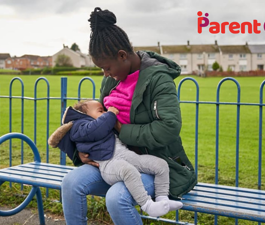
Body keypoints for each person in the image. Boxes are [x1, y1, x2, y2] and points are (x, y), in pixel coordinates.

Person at [56, 7, 197, 225]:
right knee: (70, 183)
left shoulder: (158, 79)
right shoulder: (112, 80)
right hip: (111, 160)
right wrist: (82, 151)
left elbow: (168, 127)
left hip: (151, 163)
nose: (105, 74)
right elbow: (98, 120)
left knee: (117, 198)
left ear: (122, 56)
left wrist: (122, 129)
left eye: (107, 67)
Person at [49, 100, 183, 217]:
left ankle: (162, 199)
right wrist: (111, 114)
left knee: (160, 164)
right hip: (110, 164)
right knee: (129, 172)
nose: (105, 112)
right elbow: (95, 130)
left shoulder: (101, 124)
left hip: (128, 156)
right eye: (101, 110)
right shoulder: (82, 125)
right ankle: (148, 206)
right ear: (85, 116)